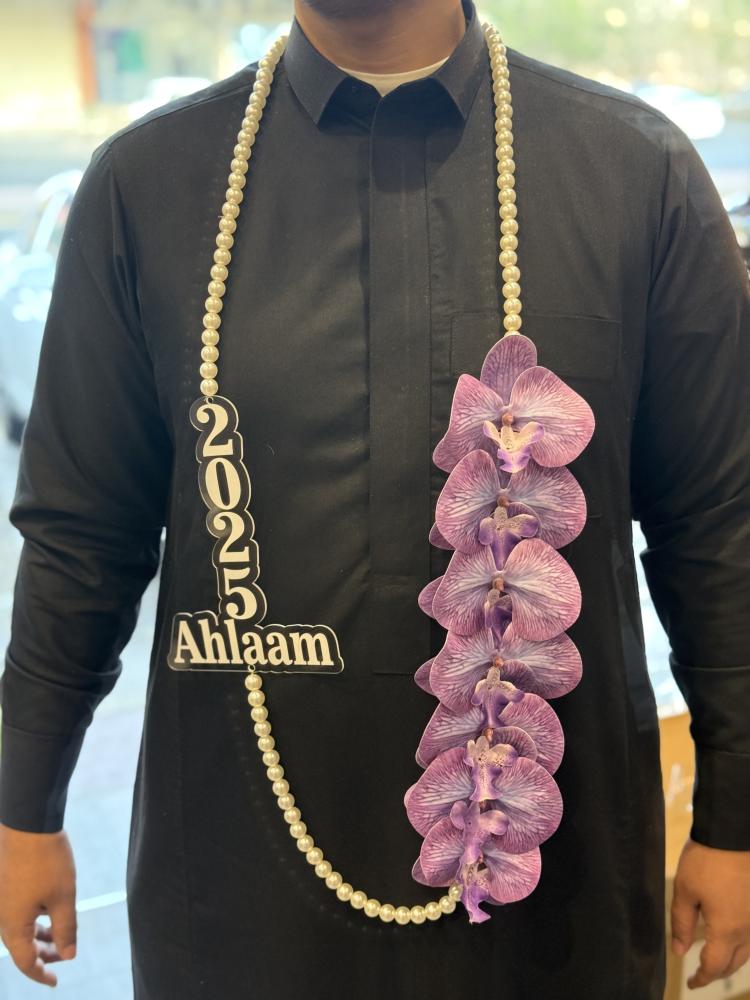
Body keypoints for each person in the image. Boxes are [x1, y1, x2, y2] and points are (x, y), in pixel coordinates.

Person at [0, 0, 749, 996]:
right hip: (234, 896)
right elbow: (81, 532)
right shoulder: (150, 185)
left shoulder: (634, 172)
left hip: (558, 907)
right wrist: (24, 802)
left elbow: (721, 524)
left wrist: (736, 814)